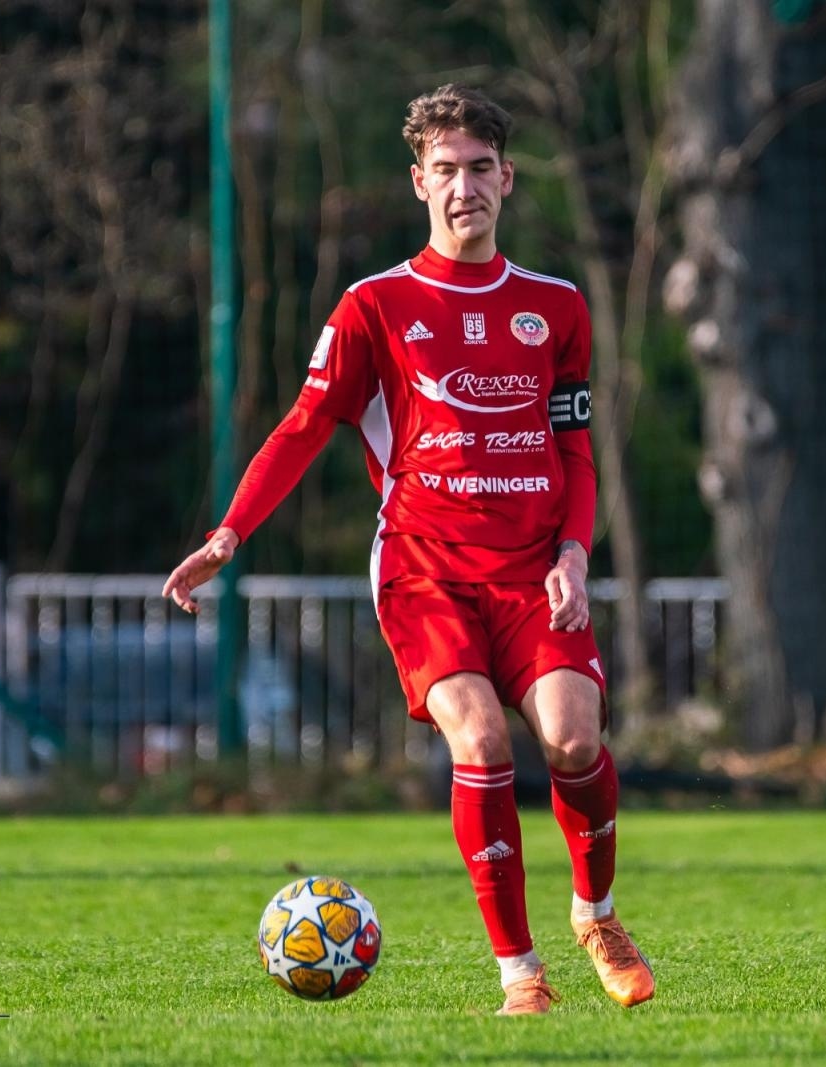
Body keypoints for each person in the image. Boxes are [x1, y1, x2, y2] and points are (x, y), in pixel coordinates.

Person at [163, 84, 653, 1013]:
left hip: (535, 572)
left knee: (575, 737)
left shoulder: (556, 307)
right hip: (425, 571)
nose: (463, 186)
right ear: (418, 182)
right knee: (479, 737)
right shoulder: (375, 305)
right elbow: (305, 425)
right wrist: (230, 532)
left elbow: (575, 448)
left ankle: (597, 912)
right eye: (445, 170)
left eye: (479, 169)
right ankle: (522, 974)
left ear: (506, 180)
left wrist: (576, 554)